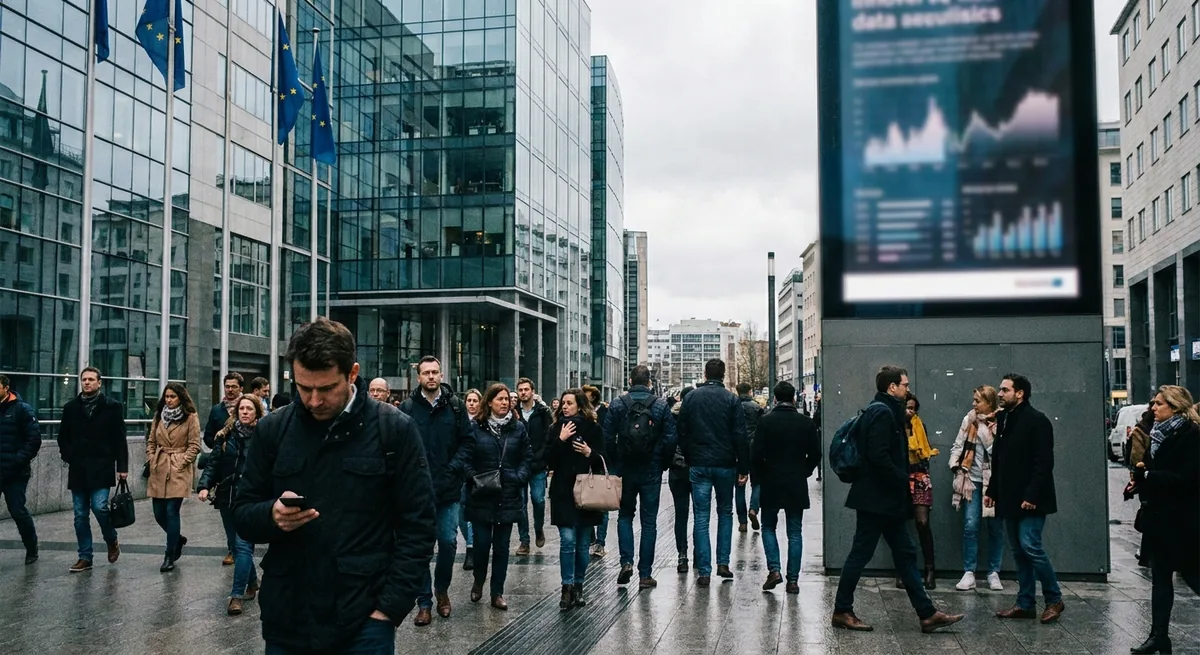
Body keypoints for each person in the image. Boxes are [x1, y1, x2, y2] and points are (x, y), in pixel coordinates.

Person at [233, 317, 436, 654]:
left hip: (364, 621)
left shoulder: (394, 430)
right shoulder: (273, 430)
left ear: (352, 373)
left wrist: (388, 609)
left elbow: (419, 524)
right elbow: (242, 511)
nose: (314, 400)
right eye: (304, 388)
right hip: (289, 617)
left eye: (326, 389)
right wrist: (271, 515)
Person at [831, 365, 964, 633]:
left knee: (905, 553)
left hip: (884, 499)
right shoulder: (882, 412)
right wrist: (904, 479)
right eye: (904, 384)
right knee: (861, 553)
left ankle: (927, 614)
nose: (907, 389)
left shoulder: (885, 411)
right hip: (876, 499)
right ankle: (842, 610)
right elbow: (878, 455)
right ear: (892, 387)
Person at [399, 356, 472, 627]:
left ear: (441, 375)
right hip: (417, 491)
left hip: (448, 489)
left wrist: (453, 468)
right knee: (421, 547)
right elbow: (398, 446)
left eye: (435, 372)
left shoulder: (455, 407)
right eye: (426, 373)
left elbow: (468, 442)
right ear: (418, 377)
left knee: (448, 542)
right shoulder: (407, 408)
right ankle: (424, 602)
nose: (431, 376)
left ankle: (442, 590)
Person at [986, 373, 1064, 625]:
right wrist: (992, 491)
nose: (1000, 394)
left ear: (1019, 394)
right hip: (1009, 497)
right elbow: (998, 460)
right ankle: (1025, 603)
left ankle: (1054, 599)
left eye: (1005, 390)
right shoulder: (1004, 419)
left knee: (1031, 546)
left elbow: (1044, 463)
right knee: (1019, 552)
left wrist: (1032, 495)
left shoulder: (1037, 420)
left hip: (1031, 499)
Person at [1128, 386, 1199, 655]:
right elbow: (1150, 468)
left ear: (1176, 406)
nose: (1153, 408)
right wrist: (1139, 481)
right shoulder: (1156, 433)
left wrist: (1149, 476)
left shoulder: (1191, 435)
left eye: (1159, 404)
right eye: (1153, 403)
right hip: (1158, 518)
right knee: (1160, 578)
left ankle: (1158, 636)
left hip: (1182, 520)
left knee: (1192, 574)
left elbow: (1188, 478)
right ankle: (1158, 636)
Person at [677, 358, 748, 586]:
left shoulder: (691, 398)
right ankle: (723, 563)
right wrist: (743, 467)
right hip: (725, 463)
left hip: (699, 463)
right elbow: (740, 435)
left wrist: (690, 455)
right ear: (723, 375)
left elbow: (682, 431)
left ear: (705, 374)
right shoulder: (731, 399)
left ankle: (704, 571)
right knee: (725, 512)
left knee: (701, 516)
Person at [464, 383, 534, 611]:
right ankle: (479, 579)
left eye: (506, 399)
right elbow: (465, 457)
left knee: (502, 548)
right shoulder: (476, 427)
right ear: (489, 402)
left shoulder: (517, 428)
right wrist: (474, 477)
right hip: (482, 494)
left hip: (508, 495)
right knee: (482, 545)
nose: (504, 403)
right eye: (499, 399)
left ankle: (497, 592)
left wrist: (518, 477)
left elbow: (527, 457)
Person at [605, 365, 675, 589]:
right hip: (651, 469)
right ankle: (645, 574)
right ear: (649, 383)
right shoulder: (660, 405)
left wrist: (615, 463)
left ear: (629, 380)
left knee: (625, 516)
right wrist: (663, 463)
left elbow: (607, 437)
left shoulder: (617, 404)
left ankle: (626, 562)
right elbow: (670, 438)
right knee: (649, 521)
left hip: (625, 468)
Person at [58, 366, 129, 573]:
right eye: (84, 379)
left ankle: (111, 539)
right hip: (78, 468)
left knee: (100, 507)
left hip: (102, 466)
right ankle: (85, 556)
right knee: (80, 515)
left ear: (99, 383)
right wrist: (69, 456)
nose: (87, 382)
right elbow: (62, 437)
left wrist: (122, 467)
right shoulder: (71, 407)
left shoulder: (112, 407)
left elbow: (120, 439)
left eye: (91, 379)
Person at [753, 381, 821, 594]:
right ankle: (793, 581)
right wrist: (805, 471)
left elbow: (756, 454)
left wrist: (763, 473)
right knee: (795, 531)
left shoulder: (765, 422)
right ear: (793, 398)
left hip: (771, 480)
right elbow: (816, 453)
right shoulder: (805, 422)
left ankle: (774, 570)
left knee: (768, 526)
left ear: (774, 399)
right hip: (796, 482)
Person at [198, 394, 263, 615]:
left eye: (249, 409)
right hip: (228, 496)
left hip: (251, 499)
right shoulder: (226, 435)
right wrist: (204, 486)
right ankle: (252, 582)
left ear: (257, 412)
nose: (245, 412)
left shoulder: (264, 437)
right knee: (235, 546)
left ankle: (236, 595)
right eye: (241, 409)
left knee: (243, 546)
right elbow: (213, 463)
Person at [546, 388, 606, 610]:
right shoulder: (555, 429)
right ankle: (567, 586)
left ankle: (579, 585)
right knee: (567, 540)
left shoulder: (594, 429)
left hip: (587, 490)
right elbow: (547, 459)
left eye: (569, 403)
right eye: (563, 403)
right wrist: (560, 440)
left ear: (580, 405)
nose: (564, 406)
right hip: (562, 491)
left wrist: (590, 453)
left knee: (582, 545)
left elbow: (603, 460)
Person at [949, 385, 1005, 592]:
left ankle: (993, 572)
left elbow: (998, 451)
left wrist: (982, 431)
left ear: (989, 403)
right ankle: (969, 572)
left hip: (994, 481)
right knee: (970, 525)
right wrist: (955, 465)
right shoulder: (969, 419)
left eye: (977, 400)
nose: (973, 404)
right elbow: (959, 444)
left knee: (995, 527)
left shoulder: (1001, 420)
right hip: (971, 480)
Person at [146, 382, 201, 573]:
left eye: (173, 397)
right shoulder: (158, 415)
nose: (169, 400)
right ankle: (177, 539)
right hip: (159, 466)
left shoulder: (190, 416)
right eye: (167, 397)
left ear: (180, 398)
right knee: (158, 513)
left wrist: (181, 462)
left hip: (178, 468)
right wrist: (151, 458)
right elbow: (151, 441)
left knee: (171, 511)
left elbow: (195, 445)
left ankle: (169, 554)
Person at [898, 392, 938, 590]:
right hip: (900, 477)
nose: (910, 411)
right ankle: (903, 571)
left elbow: (925, 452)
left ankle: (930, 570)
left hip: (919, 475)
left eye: (913, 408)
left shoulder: (919, 427)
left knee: (922, 523)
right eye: (907, 407)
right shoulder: (894, 427)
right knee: (900, 525)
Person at [0, 374, 41, 564]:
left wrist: (17, 460)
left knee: (18, 511)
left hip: (15, 473)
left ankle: (31, 547)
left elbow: (34, 440)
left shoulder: (22, 409)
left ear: (6, 388)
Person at [513, 377, 552, 556]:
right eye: (520, 390)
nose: (523, 393)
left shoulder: (542, 412)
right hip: (519, 464)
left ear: (533, 391)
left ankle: (538, 528)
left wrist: (543, 457)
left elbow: (548, 436)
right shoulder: (513, 412)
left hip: (538, 464)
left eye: (526, 389)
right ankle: (524, 540)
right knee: (520, 504)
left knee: (538, 500)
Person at [584, 385, 614, 558]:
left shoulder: (604, 412)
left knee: (602, 504)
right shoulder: (581, 415)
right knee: (585, 502)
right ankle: (591, 538)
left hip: (601, 463)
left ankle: (600, 542)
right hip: (583, 463)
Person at [668, 387, 693, 572]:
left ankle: (682, 554)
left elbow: (667, 442)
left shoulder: (671, 417)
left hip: (677, 470)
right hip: (697, 468)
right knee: (701, 515)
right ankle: (700, 554)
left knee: (681, 513)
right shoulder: (698, 416)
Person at [735, 382, 764, 533]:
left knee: (739, 486)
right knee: (757, 482)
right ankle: (753, 509)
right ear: (750, 391)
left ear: (737, 391)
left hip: (738, 449)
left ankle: (742, 522)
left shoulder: (733, 407)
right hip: (755, 448)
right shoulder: (757, 407)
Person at [460, 388, 483, 571]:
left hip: (476, 472)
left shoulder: (483, 422)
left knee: (470, 510)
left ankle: (471, 548)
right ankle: (471, 540)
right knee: (460, 514)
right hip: (459, 470)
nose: (472, 404)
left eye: (475, 401)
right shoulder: (459, 420)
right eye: (469, 401)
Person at [206, 373, 244, 449]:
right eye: (227, 386)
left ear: (241, 388)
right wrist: (218, 445)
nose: (230, 390)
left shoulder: (247, 407)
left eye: (234, 387)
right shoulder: (216, 410)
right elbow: (208, 436)